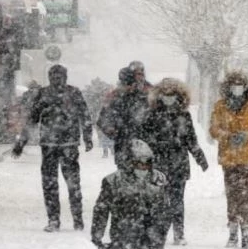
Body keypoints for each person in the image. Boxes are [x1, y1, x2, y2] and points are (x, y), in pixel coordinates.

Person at [141, 78, 208, 245]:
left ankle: (179, 233)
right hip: (158, 164)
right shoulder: (151, 115)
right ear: (159, 96)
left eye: (172, 95)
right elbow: (144, 139)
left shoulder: (184, 115)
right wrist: (155, 148)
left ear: (178, 96)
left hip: (179, 164)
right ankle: (156, 232)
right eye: (165, 94)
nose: (168, 98)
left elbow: (191, 138)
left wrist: (200, 158)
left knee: (177, 200)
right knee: (157, 201)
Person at [27, 64, 93, 232]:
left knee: (70, 183)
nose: (57, 80)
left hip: (66, 144)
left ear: (65, 77)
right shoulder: (45, 93)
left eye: (59, 76)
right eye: (54, 76)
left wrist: (87, 136)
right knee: (54, 183)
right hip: (52, 144)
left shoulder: (72, 93)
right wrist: (22, 140)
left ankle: (75, 219)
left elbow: (84, 115)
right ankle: (56, 219)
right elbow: (33, 118)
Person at [209, 71, 248, 249]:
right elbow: (213, 129)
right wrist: (227, 136)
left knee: (247, 196)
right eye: (234, 85)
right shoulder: (220, 106)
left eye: (240, 85)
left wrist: (247, 136)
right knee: (232, 195)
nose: (237, 88)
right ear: (228, 87)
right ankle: (233, 231)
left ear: (246, 87)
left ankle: (246, 231)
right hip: (229, 158)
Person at [91, 139, 168, 249]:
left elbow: (165, 211)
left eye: (147, 163)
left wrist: (159, 238)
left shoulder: (158, 179)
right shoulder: (113, 181)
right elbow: (101, 211)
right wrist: (97, 238)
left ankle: (154, 246)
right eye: (139, 163)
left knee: (160, 211)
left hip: (152, 235)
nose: (143, 167)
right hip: (123, 233)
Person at [97, 66, 148, 169]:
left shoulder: (143, 97)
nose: (129, 86)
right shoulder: (116, 97)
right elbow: (103, 120)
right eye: (126, 83)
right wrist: (112, 131)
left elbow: (153, 118)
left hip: (139, 145)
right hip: (126, 145)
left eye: (131, 83)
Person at [11, 80, 41, 157]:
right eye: (32, 88)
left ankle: (18, 149)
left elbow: (23, 104)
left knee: (25, 134)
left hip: (32, 117)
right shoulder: (36, 94)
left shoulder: (28, 95)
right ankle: (18, 149)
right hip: (33, 117)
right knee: (26, 134)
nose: (33, 90)